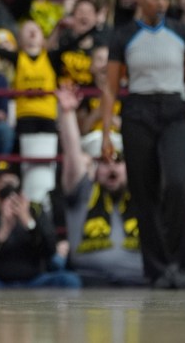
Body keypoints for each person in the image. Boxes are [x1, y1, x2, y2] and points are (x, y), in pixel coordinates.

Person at [98, 0, 185, 289]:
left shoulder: (180, 31)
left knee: (176, 184)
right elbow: (110, 88)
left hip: (175, 110)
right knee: (144, 193)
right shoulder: (122, 35)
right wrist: (106, 134)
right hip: (138, 111)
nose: (161, 1)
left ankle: (181, 264)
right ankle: (158, 270)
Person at [57, 86, 146, 286]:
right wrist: (68, 113)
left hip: (139, 283)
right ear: (95, 169)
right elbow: (72, 156)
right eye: (104, 163)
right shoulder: (83, 191)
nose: (111, 167)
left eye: (118, 161)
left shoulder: (142, 192)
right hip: (90, 283)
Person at [0, 165, 81, 289]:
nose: (9, 190)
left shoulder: (36, 210)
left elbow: (50, 251)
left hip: (34, 280)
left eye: (13, 184)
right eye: (3, 184)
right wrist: (2, 232)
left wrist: (29, 223)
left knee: (69, 280)